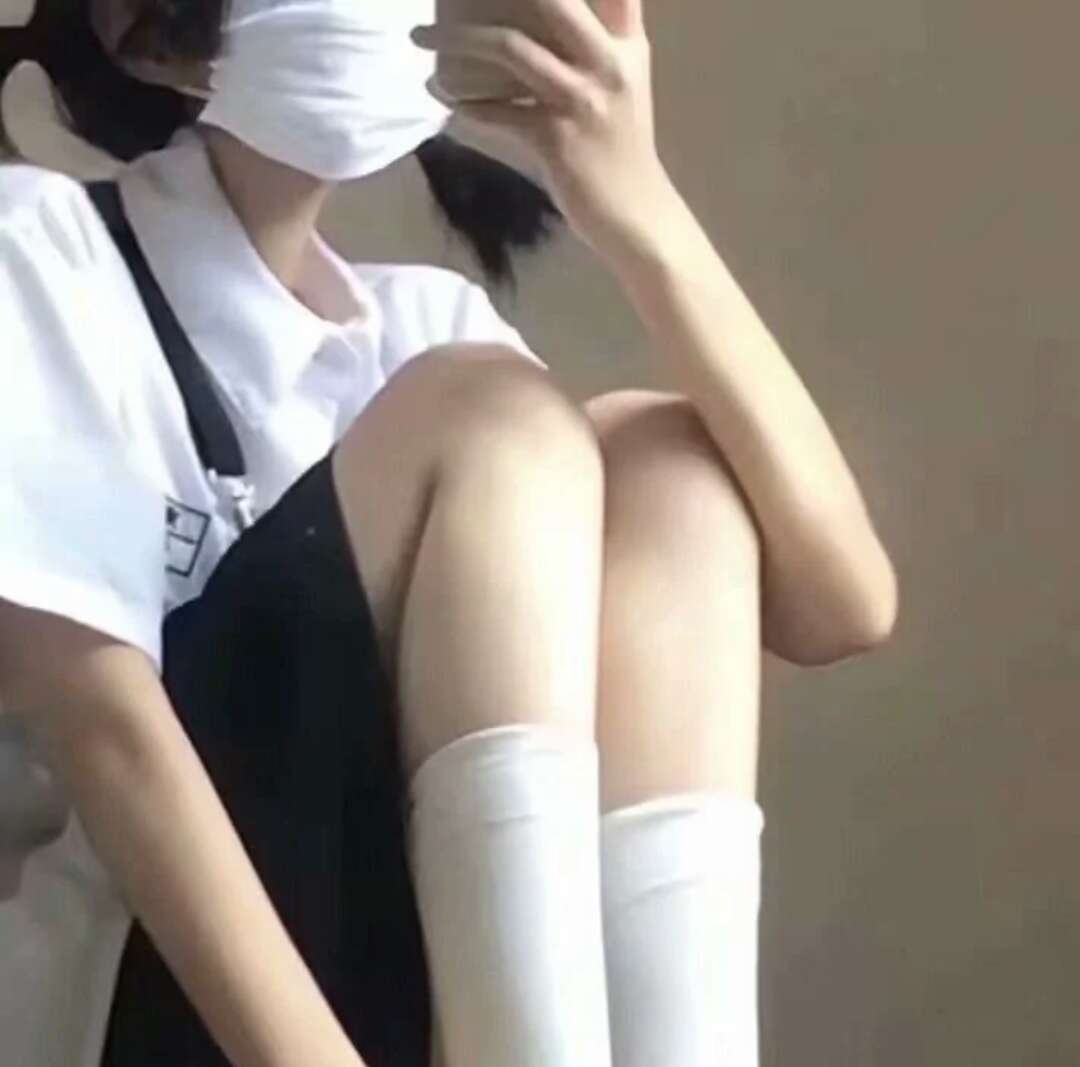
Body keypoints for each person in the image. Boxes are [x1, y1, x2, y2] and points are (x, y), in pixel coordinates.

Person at [0, 1, 899, 1066]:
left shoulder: (424, 326)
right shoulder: (38, 244)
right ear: (146, 35)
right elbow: (106, 731)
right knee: (494, 415)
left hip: (393, 978)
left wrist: (632, 198)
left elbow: (841, 602)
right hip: (147, 996)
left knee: (666, 465)